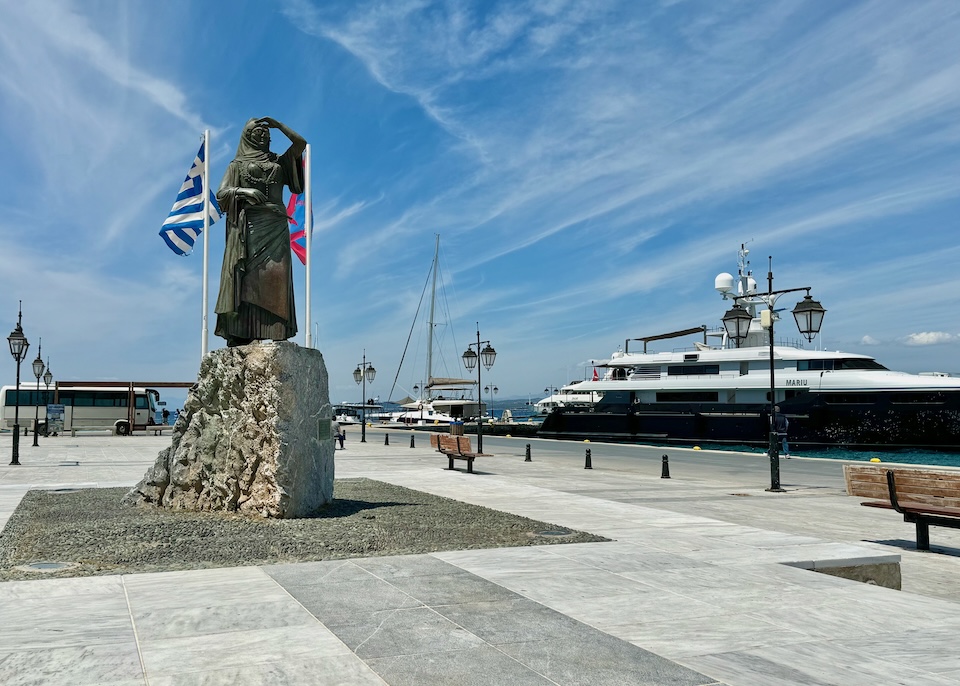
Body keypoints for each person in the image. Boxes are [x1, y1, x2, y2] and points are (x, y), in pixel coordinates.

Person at [214, 117, 307, 347]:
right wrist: (244, 192)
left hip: (276, 227)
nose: (264, 136)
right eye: (258, 133)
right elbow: (221, 194)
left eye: (267, 134)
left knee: (277, 277)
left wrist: (279, 124)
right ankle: (242, 331)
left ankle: (275, 329)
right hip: (250, 228)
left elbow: (300, 144)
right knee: (247, 280)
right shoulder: (236, 165)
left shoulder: (279, 161)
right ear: (247, 136)